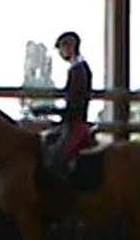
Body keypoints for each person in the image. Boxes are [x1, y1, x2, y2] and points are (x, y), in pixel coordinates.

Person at [29, 31, 94, 173]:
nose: (60, 52)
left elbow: (74, 105)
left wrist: (47, 110)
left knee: (54, 162)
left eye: (61, 48)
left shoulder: (78, 70)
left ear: (70, 47)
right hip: (72, 122)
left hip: (76, 125)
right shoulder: (77, 68)